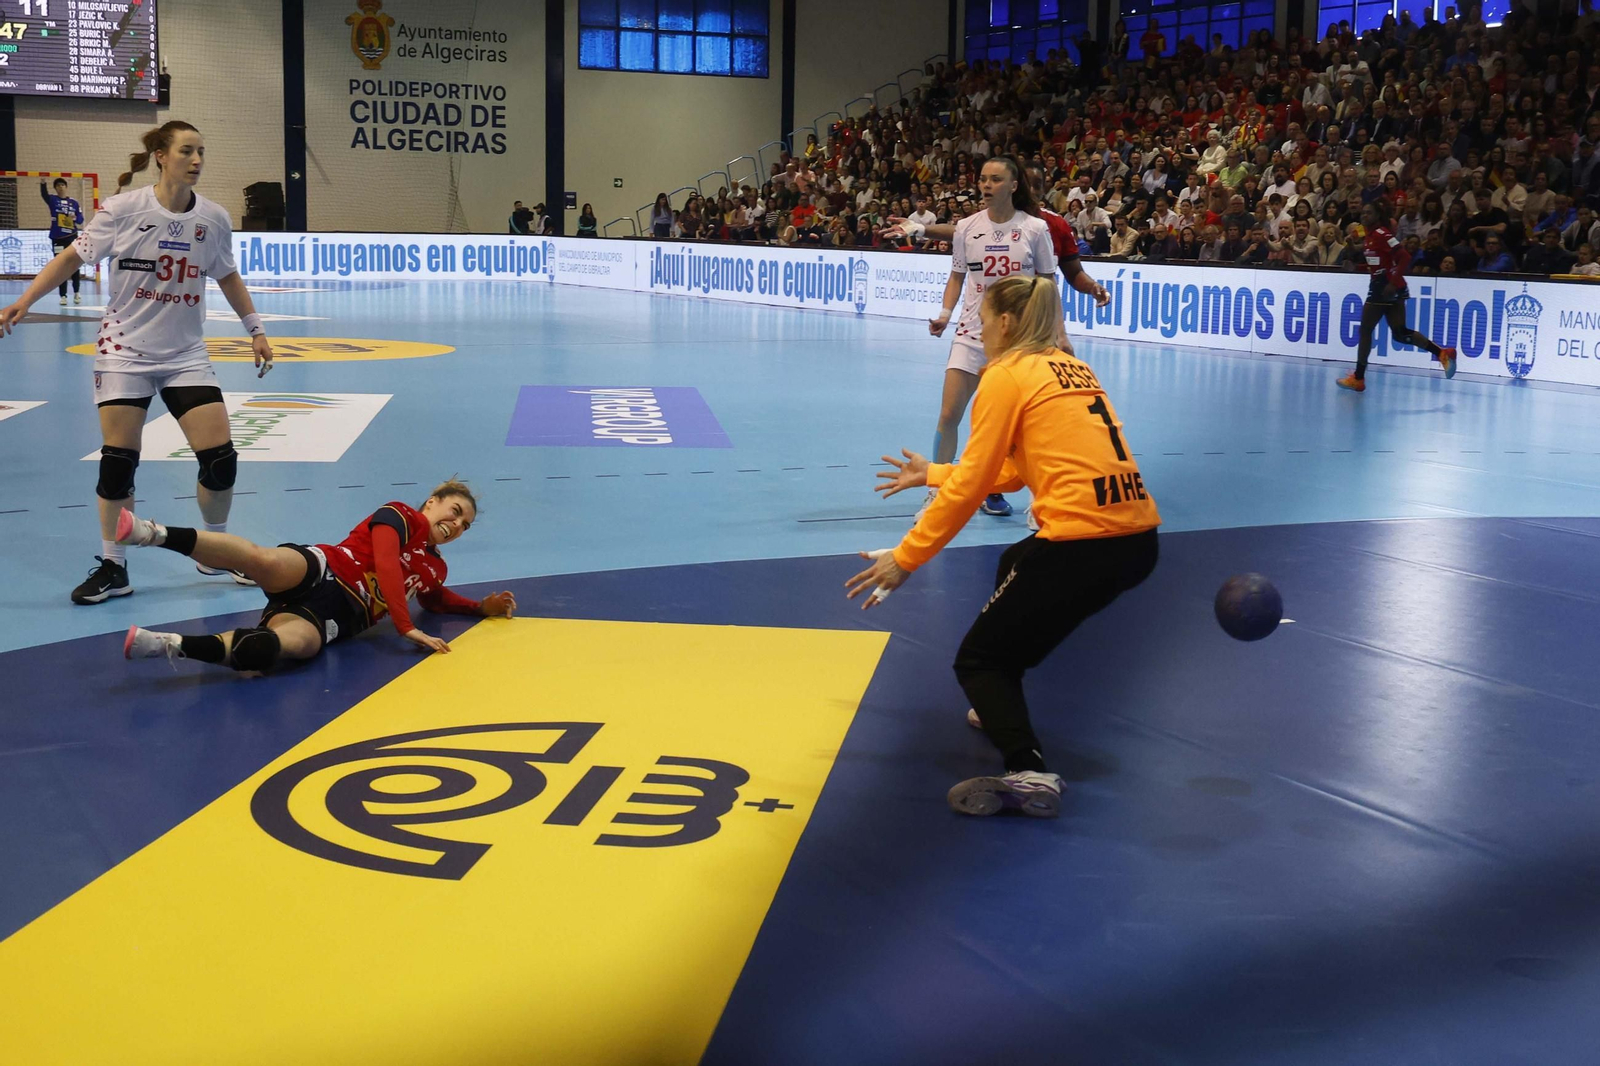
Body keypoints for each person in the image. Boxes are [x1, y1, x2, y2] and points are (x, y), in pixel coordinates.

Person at [846, 276, 1160, 818]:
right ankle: (1002, 696)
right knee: (1014, 560)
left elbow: (974, 487)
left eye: (984, 320)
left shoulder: (1005, 375)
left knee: (978, 660)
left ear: (1007, 324)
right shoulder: (1070, 366)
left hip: (1082, 544)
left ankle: (1029, 770)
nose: (979, 329)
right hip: (1138, 539)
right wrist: (935, 473)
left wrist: (906, 557)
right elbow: (1012, 471)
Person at [0, 120, 275, 605]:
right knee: (118, 464)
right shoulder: (123, 210)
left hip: (185, 355)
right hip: (124, 353)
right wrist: (26, 300)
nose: (197, 160)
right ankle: (114, 566)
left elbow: (228, 276)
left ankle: (216, 549)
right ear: (161, 156)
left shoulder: (213, 218)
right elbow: (70, 259)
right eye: (187, 151)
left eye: (201, 152)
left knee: (221, 460)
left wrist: (256, 329)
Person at [118, 480, 516, 671]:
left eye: (465, 525)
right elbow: (387, 561)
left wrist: (480, 607)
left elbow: (434, 597)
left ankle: (167, 644)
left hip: (339, 619)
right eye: (456, 510)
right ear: (433, 502)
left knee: (297, 645)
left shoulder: (436, 566)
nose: (457, 523)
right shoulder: (398, 515)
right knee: (265, 562)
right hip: (324, 570)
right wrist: (405, 625)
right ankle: (153, 533)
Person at [923, 157, 1059, 520]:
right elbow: (957, 277)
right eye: (982, 179)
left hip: (1022, 339)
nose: (986, 185)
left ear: (1014, 185)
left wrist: (1058, 333)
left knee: (1022, 427)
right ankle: (938, 496)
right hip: (972, 334)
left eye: (995, 180)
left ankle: (1031, 500)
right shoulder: (966, 227)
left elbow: (1049, 283)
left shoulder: (1035, 229)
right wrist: (945, 315)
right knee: (949, 414)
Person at [1337, 202, 1456, 392]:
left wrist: (1392, 282)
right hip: (1390, 287)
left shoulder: (1383, 234)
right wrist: (1356, 256)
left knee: (1366, 330)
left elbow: (1405, 257)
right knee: (1400, 333)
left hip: (1384, 287)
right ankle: (1442, 353)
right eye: (1363, 212)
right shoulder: (1369, 236)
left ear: (1377, 215)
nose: (1364, 215)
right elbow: (1377, 259)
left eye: (1369, 212)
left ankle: (1358, 378)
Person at [40, 178, 85, 305]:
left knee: (74, 265)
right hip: (57, 238)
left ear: (66, 187)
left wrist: (75, 217)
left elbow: (81, 220)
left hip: (71, 237)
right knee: (60, 267)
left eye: (62, 185)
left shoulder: (74, 203)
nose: (61, 187)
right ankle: (63, 296)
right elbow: (44, 195)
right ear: (55, 188)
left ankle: (76, 292)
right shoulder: (53, 200)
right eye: (58, 185)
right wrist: (43, 183)